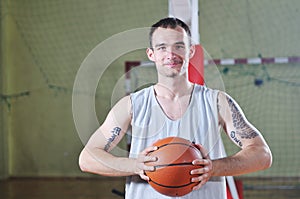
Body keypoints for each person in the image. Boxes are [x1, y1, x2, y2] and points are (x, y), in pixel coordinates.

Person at [79, 17, 272, 198]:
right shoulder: (132, 105)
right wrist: (135, 165)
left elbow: (262, 155)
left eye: (179, 46)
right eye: (162, 47)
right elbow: (87, 158)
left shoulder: (217, 102)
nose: (171, 55)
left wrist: (213, 167)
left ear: (191, 51)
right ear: (151, 54)